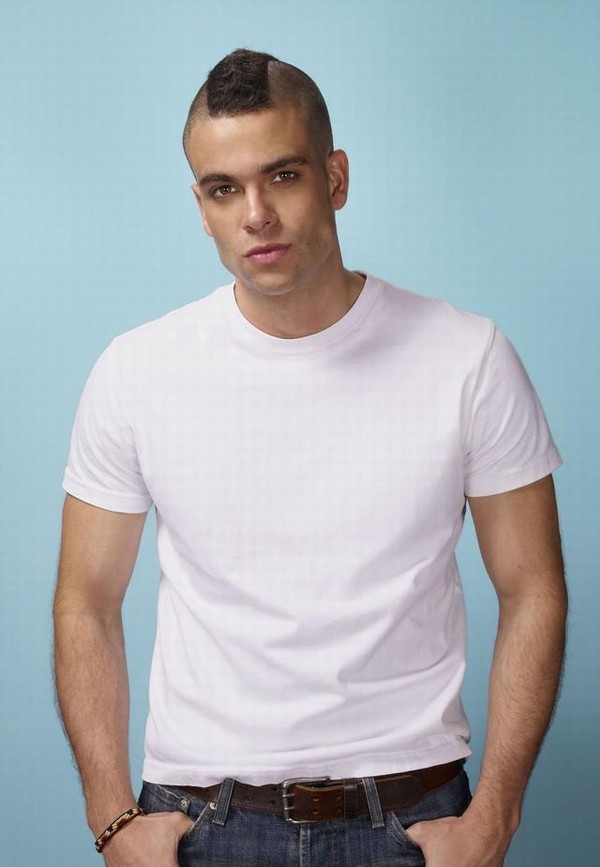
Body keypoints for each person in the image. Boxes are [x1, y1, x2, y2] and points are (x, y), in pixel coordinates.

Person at [53, 49, 567, 867]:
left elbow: (533, 586)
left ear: (336, 177)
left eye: (283, 176)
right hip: (200, 824)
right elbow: (85, 600)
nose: (256, 214)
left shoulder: (467, 357)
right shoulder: (137, 370)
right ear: (201, 207)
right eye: (224, 189)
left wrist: (495, 816)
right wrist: (112, 819)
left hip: (412, 818)